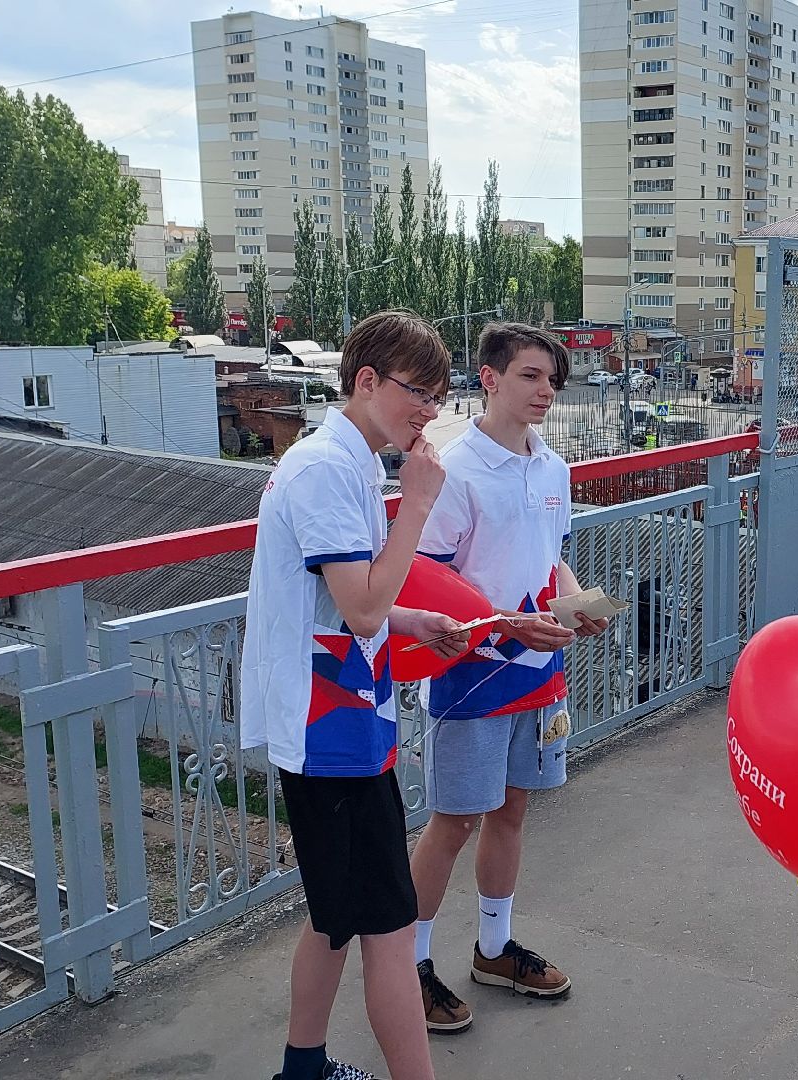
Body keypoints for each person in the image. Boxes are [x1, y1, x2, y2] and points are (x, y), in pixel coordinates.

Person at [239, 310, 468, 1080]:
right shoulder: (330, 470)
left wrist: (415, 617)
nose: (429, 411)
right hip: (329, 729)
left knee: (336, 924)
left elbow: (349, 600)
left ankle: (302, 1068)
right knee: (389, 931)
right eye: (418, 392)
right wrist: (421, 505)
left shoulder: (346, 461)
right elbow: (362, 607)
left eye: (438, 398)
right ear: (366, 381)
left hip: (343, 719)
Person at [408, 323, 611, 1032]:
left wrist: (579, 602)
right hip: (472, 672)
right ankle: (411, 966)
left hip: (539, 667)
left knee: (513, 811)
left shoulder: (551, 466)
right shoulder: (454, 469)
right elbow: (427, 580)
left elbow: (550, 558)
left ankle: (493, 949)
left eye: (552, 378)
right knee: (454, 820)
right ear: (490, 379)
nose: (546, 390)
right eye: (530, 375)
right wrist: (504, 623)